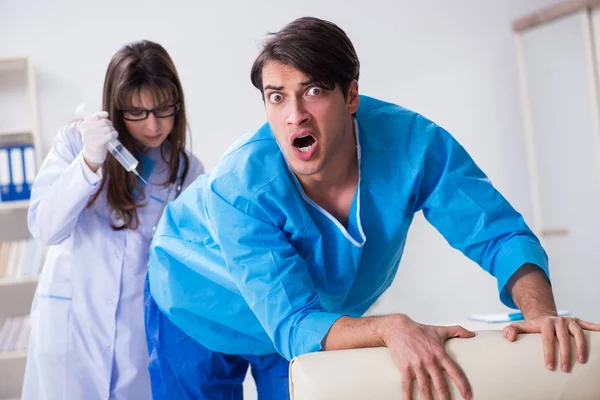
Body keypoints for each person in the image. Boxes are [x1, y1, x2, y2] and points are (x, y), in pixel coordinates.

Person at [145, 17, 600, 400]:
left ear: (351, 96)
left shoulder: (414, 146)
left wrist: (540, 313)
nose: (295, 115)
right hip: (194, 300)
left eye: (314, 91)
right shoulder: (240, 186)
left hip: (303, 318)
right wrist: (390, 327)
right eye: (276, 96)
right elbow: (292, 324)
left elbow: (498, 234)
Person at [22, 40, 204, 400]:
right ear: (115, 109)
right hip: (72, 330)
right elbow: (45, 228)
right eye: (137, 112)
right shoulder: (75, 144)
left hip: (136, 339)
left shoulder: (186, 171)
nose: (153, 125)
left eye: (163, 109)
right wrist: (89, 163)